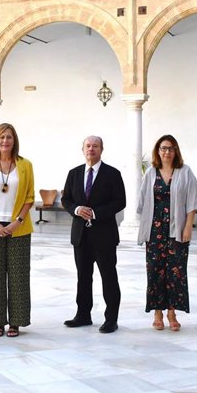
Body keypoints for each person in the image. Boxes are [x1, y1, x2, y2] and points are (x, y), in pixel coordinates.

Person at [137, 135, 197, 332]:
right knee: (155, 270)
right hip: (155, 229)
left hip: (177, 229)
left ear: (176, 151)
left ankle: (172, 312)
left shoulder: (185, 172)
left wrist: (188, 226)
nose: (167, 152)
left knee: (176, 271)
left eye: (171, 148)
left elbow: (192, 201)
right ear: (158, 150)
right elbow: (142, 202)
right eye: (164, 148)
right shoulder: (150, 172)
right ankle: (157, 312)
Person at [61, 136, 126, 333]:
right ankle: (83, 315)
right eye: (88, 146)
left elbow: (120, 201)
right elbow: (66, 199)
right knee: (83, 277)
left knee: (108, 277)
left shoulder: (112, 174)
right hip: (80, 236)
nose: (91, 149)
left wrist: (96, 213)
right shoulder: (74, 173)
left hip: (104, 236)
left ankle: (111, 319)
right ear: (82, 149)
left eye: (95, 146)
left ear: (101, 150)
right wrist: (77, 209)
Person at [0, 123, 35, 338]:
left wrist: (17, 222)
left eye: (9, 137)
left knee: (19, 275)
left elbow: (29, 196)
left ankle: (16, 322)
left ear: (14, 140)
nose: (5, 141)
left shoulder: (25, 165)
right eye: (1, 137)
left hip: (18, 227)